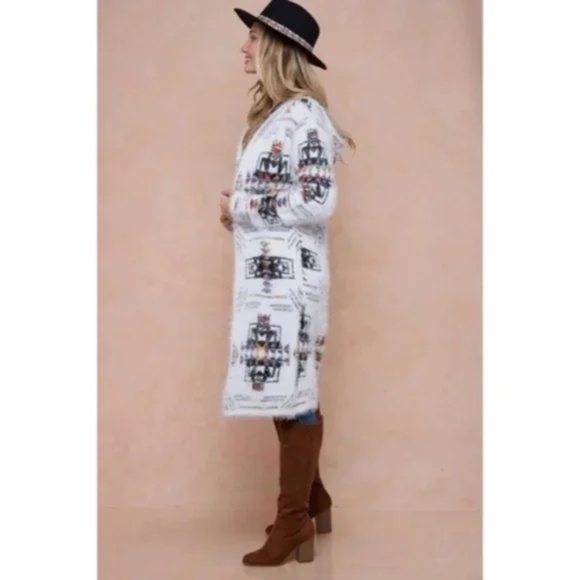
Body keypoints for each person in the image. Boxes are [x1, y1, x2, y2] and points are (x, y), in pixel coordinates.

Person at [219, 0, 354, 567]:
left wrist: (243, 206)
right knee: (286, 390)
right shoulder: (272, 116)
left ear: (278, 48)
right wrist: (240, 215)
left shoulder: (306, 118)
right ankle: (314, 499)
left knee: (295, 394)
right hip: (266, 281)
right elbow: (281, 199)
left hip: (293, 286)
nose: (244, 47)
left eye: (253, 38)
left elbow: (318, 201)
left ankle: (294, 520)